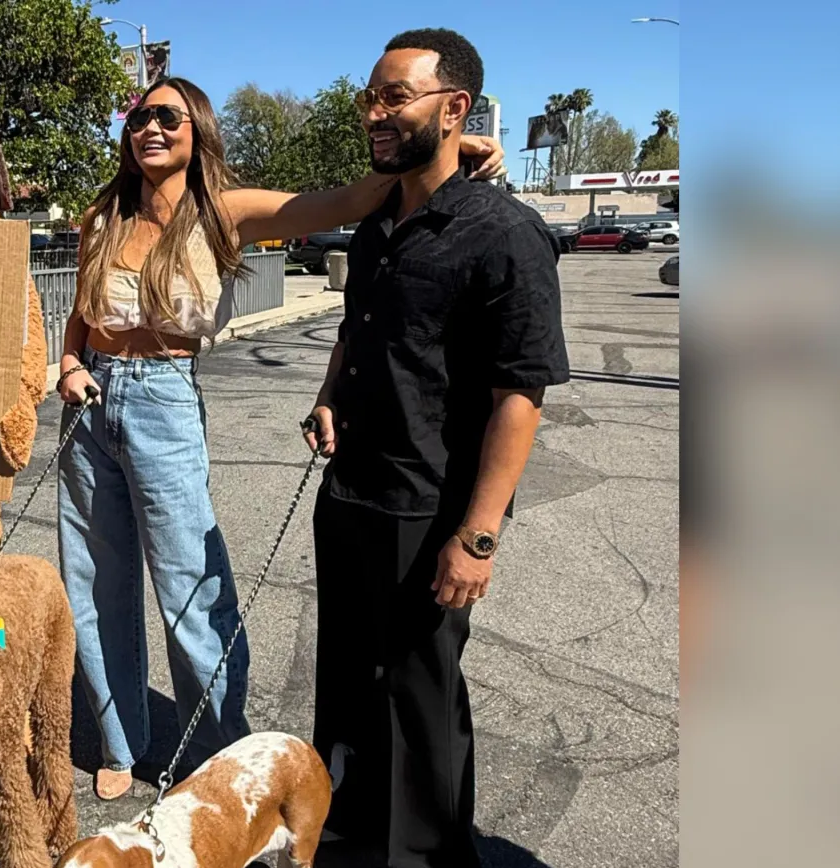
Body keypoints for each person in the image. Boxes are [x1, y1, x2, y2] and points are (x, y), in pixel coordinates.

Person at [57, 76, 506, 800]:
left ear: (198, 129)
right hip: (90, 402)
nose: (150, 128)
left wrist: (445, 149)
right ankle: (120, 740)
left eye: (168, 115)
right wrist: (70, 364)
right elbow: (81, 312)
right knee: (94, 580)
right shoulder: (104, 214)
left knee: (189, 586)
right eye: (139, 116)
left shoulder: (224, 212)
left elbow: (347, 201)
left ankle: (217, 754)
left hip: (164, 401)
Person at [302, 28, 570, 868]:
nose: (375, 114)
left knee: (422, 692)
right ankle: (354, 816)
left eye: (395, 97)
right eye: (370, 98)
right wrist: (329, 394)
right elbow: (358, 331)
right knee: (349, 676)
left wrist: (479, 535)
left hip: (430, 508)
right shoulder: (379, 222)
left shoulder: (504, 233)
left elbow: (519, 394)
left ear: (454, 108)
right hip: (353, 492)